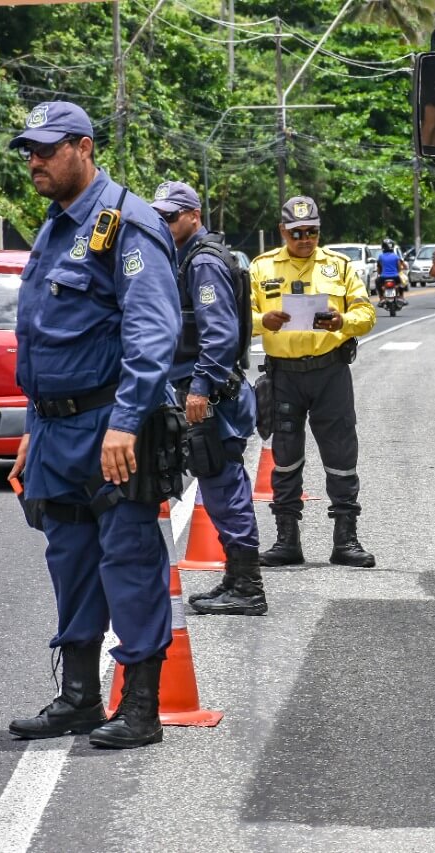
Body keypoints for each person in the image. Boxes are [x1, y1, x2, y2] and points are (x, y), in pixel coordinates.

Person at [6, 101, 180, 749]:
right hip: (55, 429)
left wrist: (127, 422)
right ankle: (79, 697)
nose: (34, 161)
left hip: (112, 423)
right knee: (70, 561)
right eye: (29, 150)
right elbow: (42, 342)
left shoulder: (126, 224)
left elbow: (152, 330)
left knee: (128, 559)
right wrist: (33, 426)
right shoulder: (54, 228)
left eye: (47, 149)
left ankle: (140, 708)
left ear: (84, 146)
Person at [150, 180, 266, 617]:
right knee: (219, 484)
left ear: (194, 216)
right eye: (159, 216)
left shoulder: (202, 263)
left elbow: (219, 335)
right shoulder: (187, 257)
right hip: (205, 393)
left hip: (211, 398)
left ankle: (248, 587)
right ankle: (238, 580)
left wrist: (200, 387)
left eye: (171, 216)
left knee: (222, 485)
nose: (164, 223)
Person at [251, 196, 378, 567]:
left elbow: (366, 312)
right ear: (282, 231)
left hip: (330, 372)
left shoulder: (339, 266)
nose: (305, 239)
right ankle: (287, 539)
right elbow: (242, 314)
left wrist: (343, 322)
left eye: (312, 232)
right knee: (286, 458)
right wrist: (264, 322)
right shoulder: (261, 268)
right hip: (285, 376)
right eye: (297, 233)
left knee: (341, 456)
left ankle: (346, 539)